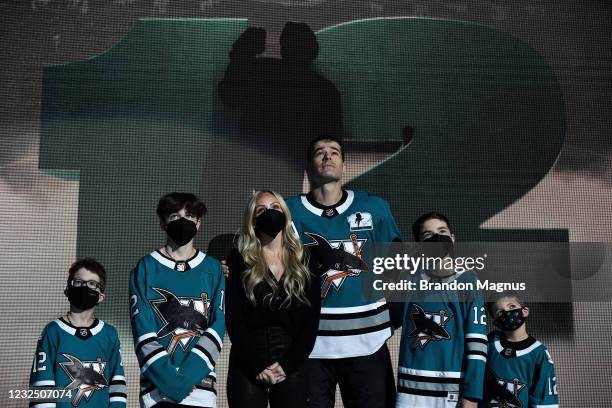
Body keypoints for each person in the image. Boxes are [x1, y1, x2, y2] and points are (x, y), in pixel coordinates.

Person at [285, 135, 402, 408]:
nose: (328, 156)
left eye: (334, 152)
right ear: (308, 166)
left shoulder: (374, 208)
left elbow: (397, 267)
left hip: (368, 342)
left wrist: (392, 319)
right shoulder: (288, 212)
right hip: (310, 346)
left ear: (344, 166)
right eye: (320, 152)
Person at [225, 190, 320, 408]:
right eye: (261, 210)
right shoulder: (239, 258)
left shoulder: (304, 260)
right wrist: (256, 365)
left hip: (291, 362)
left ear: (285, 214)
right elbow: (234, 318)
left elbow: (311, 321)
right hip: (247, 362)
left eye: (275, 208)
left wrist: (287, 365)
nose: (270, 213)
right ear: (252, 220)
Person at [129, 192, 225, 408]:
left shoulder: (212, 269)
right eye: (174, 216)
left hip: (201, 388)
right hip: (156, 390)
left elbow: (218, 325)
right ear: (163, 224)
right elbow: (142, 329)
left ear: (199, 223)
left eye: (190, 216)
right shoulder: (145, 268)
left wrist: (188, 377)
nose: (183, 221)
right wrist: (170, 382)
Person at [394, 212, 487, 408]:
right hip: (409, 391)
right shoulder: (409, 282)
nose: (436, 237)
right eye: (427, 235)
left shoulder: (468, 281)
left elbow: (477, 344)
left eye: (442, 231)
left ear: (453, 238)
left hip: (452, 391)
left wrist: (472, 395)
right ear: (420, 245)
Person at [29, 258, 127, 407]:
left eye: (92, 284)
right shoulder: (53, 331)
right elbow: (42, 385)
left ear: (101, 296)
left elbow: (117, 384)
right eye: (79, 282)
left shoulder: (110, 334)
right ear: (68, 289)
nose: (84, 287)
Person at [481, 291, 559, 408]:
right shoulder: (488, 343)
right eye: (500, 312)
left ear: (525, 311)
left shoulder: (538, 353)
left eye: (512, 306)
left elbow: (544, 400)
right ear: (496, 323)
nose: (507, 313)